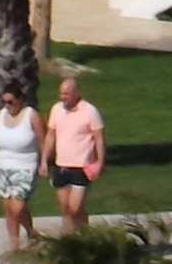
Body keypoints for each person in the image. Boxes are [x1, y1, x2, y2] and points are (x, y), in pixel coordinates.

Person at [41, 72, 105, 232]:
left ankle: (84, 233)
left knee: (75, 208)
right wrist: (44, 160)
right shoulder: (56, 109)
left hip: (81, 166)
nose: (63, 97)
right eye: (61, 93)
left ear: (76, 93)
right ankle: (69, 238)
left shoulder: (90, 111)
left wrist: (100, 163)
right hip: (61, 165)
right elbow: (50, 136)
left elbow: (99, 139)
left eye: (67, 94)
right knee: (65, 209)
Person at [0, 85, 43, 249]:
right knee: (8, 208)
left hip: (25, 167)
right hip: (3, 167)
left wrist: (45, 162)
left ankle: (29, 232)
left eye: (10, 101)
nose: (7, 105)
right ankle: (15, 242)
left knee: (17, 207)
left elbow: (43, 140)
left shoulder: (31, 115)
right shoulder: (0, 116)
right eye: (4, 102)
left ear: (20, 100)